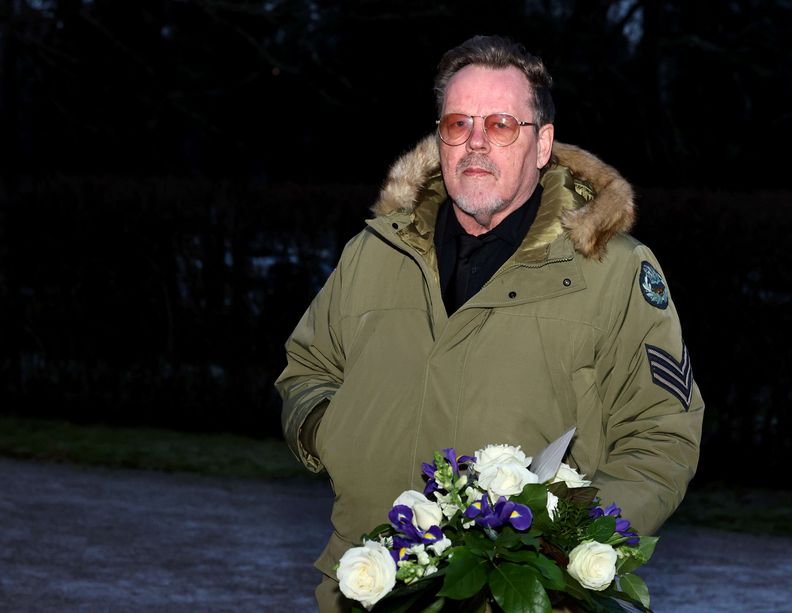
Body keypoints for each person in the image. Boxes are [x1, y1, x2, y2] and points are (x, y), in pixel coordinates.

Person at [276, 35, 704, 610]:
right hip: (368, 587)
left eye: (501, 124)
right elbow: (308, 367)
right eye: (458, 124)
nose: (475, 141)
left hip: (524, 596)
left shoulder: (612, 271)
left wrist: (568, 541)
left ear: (542, 143)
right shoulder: (376, 252)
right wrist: (335, 434)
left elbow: (661, 434)